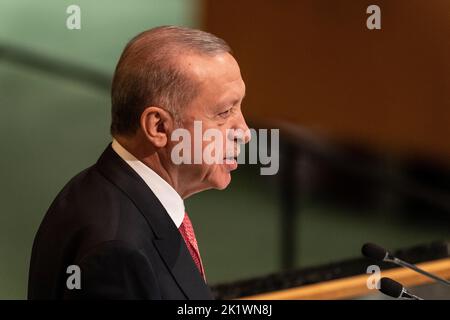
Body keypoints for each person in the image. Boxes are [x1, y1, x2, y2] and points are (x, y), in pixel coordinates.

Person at [28, 25, 250, 299]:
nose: (244, 132)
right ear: (158, 127)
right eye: (224, 112)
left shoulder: (111, 192)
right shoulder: (116, 251)